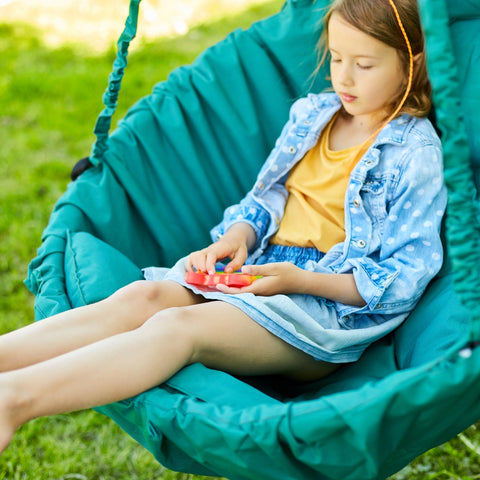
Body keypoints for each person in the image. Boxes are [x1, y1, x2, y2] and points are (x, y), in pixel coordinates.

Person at [0, 0, 446, 454]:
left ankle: (12, 402)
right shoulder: (313, 116)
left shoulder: (415, 154)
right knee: (144, 297)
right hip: (261, 268)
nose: (344, 77)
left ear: (412, 64)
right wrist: (237, 237)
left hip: (321, 311)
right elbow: (267, 198)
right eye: (335, 58)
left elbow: (405, 274)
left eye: (364, 64)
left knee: (177, 329)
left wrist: (301, 280)